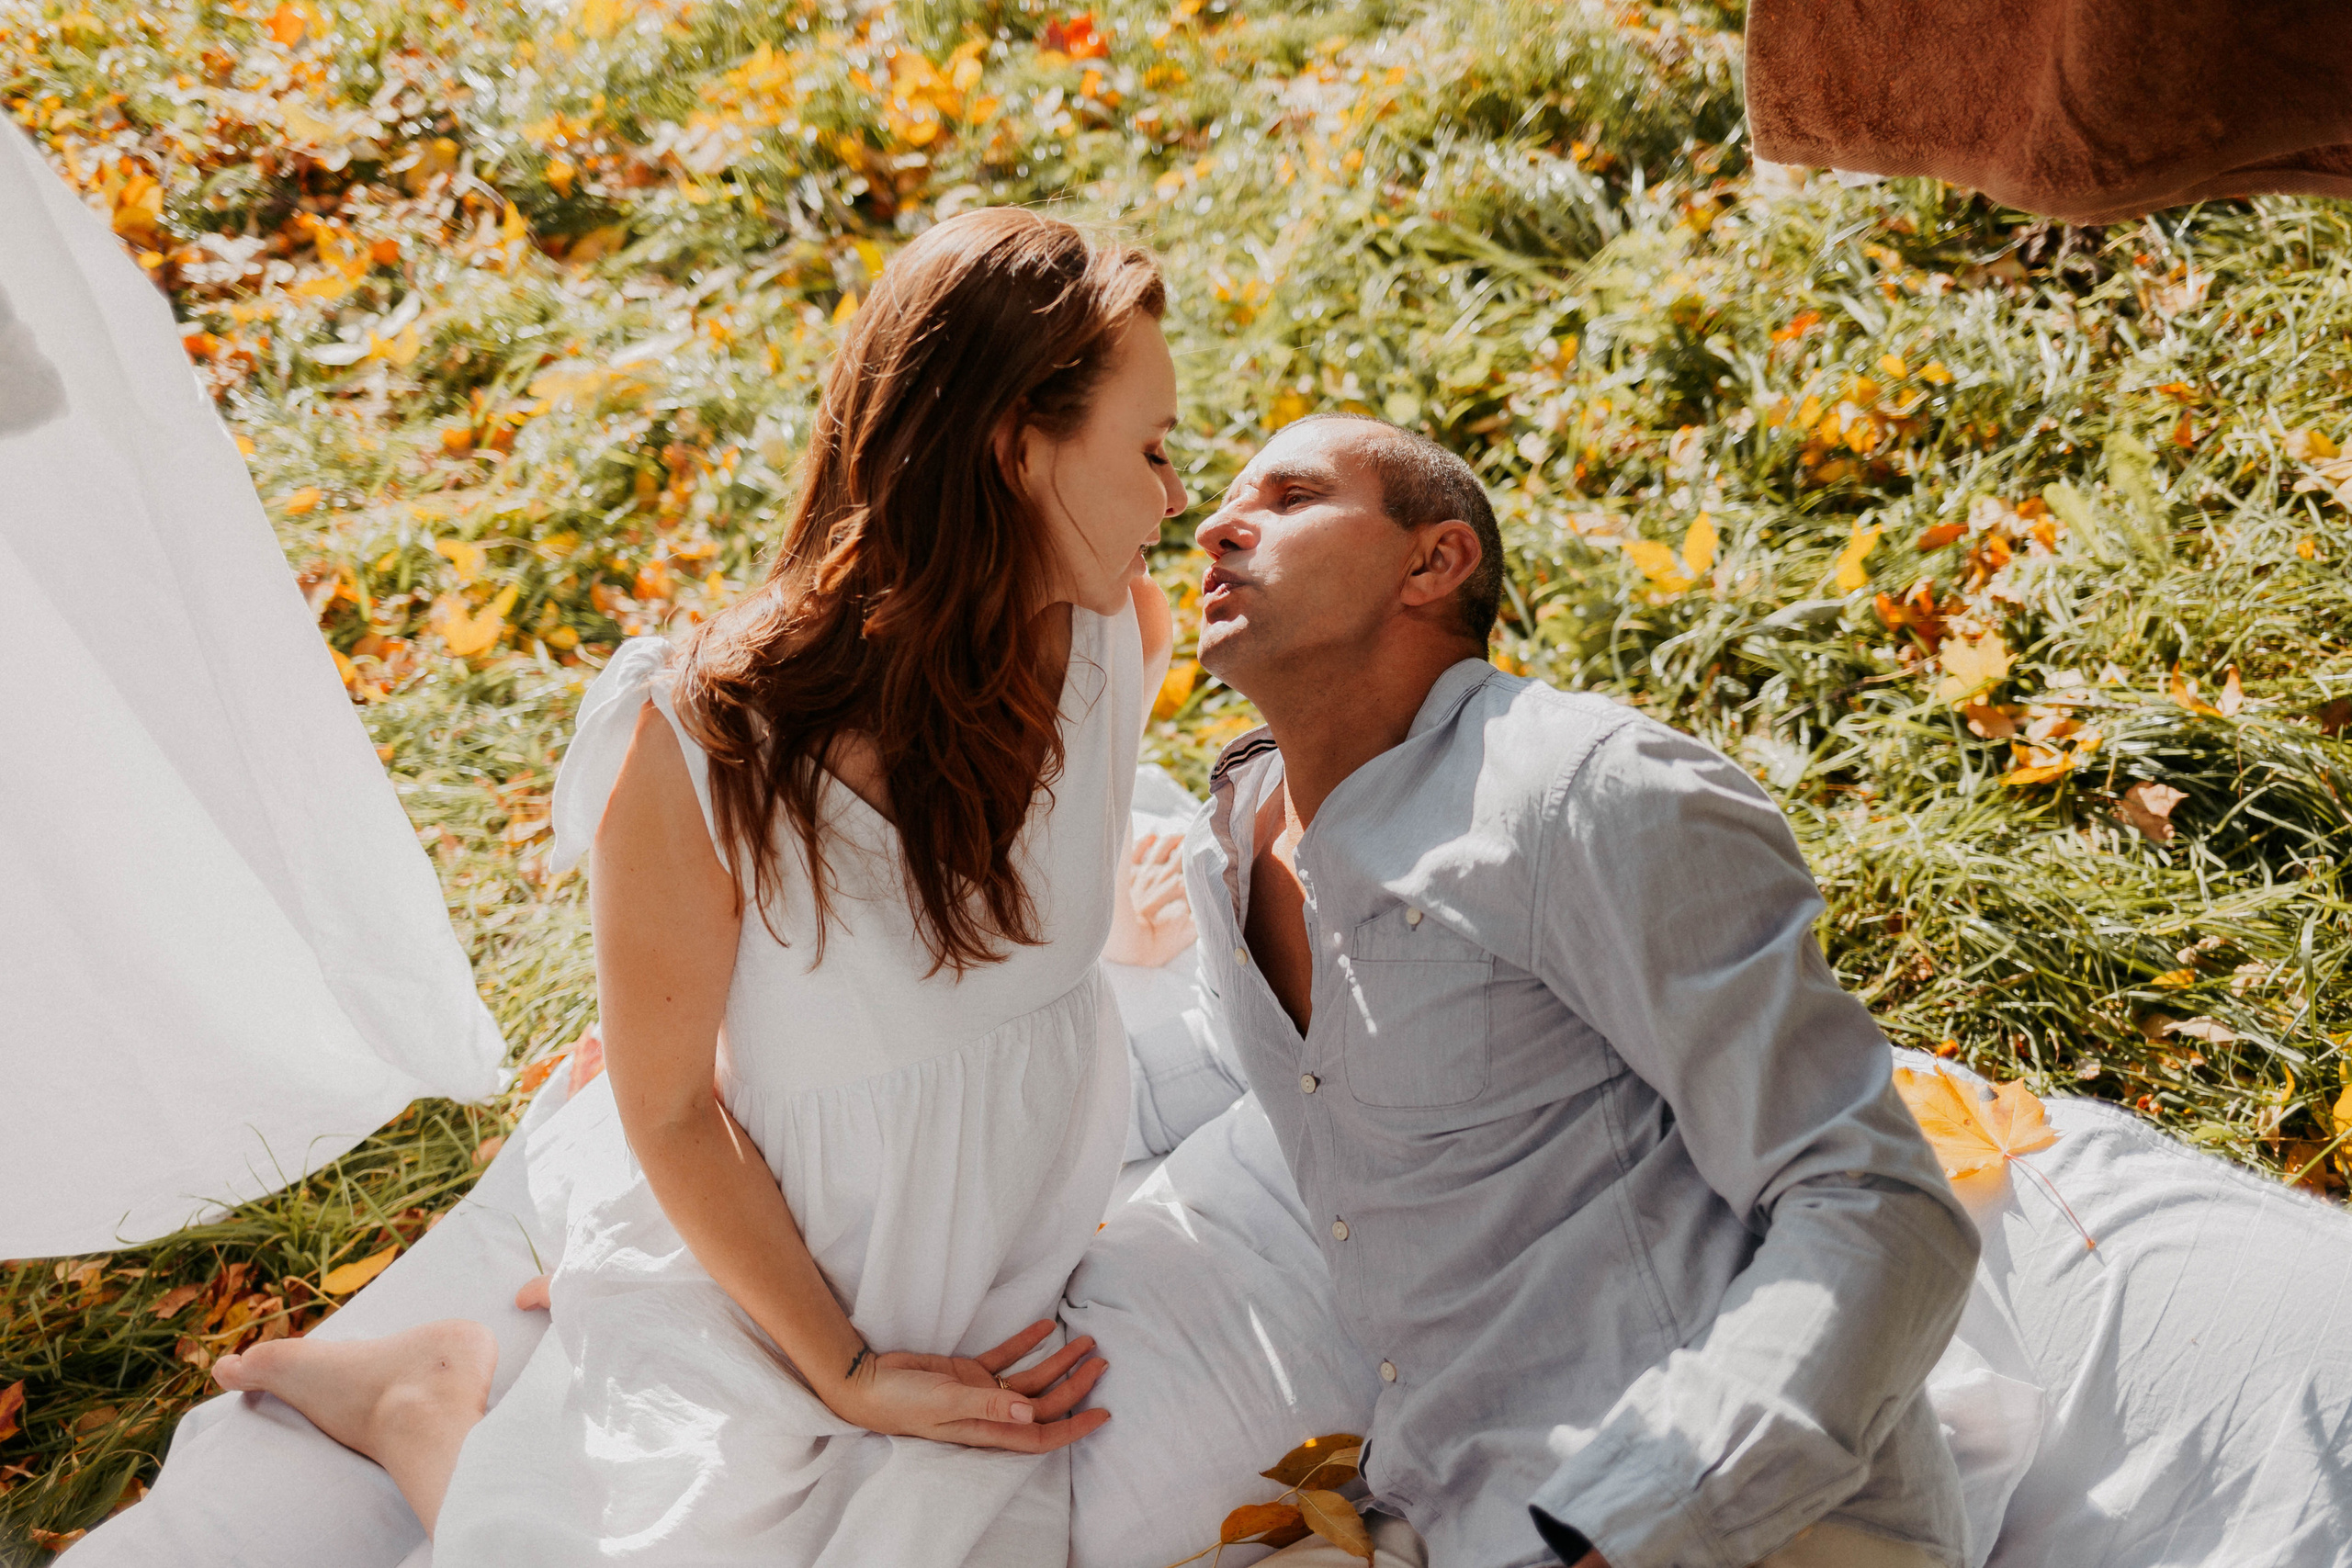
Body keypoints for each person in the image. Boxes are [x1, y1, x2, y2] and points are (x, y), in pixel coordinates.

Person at [187, 207, 1189, 1565]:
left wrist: (1111, 926)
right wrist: (841, 1365)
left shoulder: (1116, 626)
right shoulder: (707, 744)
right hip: (789, 1281)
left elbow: (1021, 909)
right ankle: (425, 1400)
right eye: (1149, 449)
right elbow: (666, 1101)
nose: (1175, 496)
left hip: (1002, 1268)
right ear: (1018, 452)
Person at [1172, 413, 1983, 1568]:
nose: (1214, 522)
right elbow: (1196, 1069)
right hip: (1435, 1510)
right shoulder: (1223, 850)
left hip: (1729, 1525)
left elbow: (1879, 1207)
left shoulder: (1581, 790)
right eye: (1225, 497)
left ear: (1432, 561)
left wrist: (1633, 1525)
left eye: (1293, 497)